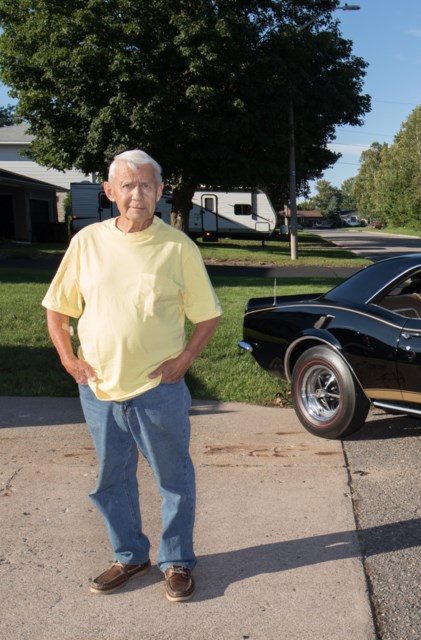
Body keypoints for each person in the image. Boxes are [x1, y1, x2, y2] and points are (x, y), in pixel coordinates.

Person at [42, 149, 222, 603]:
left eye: (146, 185)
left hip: (157, 389)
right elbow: (56, 310)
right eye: (127, 185)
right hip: (99, 391)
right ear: (110, 192)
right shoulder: (87, 242)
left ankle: (177, 560)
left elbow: (207, 317)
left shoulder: (178, 246)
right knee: (111, 481)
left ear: (160, 192)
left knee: (173, 480)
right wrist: (69, 360)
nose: (136, 193)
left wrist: (184, 361)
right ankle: (130, 555)